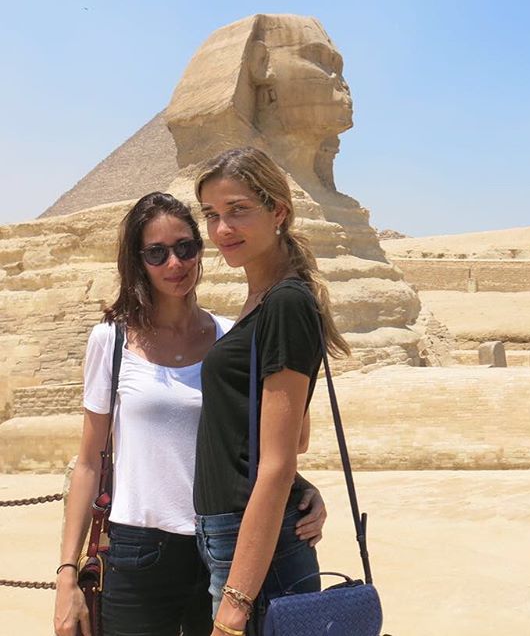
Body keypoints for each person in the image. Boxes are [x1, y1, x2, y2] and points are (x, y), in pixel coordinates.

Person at [54, 192, 327, 636]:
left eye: (185, 248)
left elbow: (266, 441)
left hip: (225, 546)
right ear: (137, 261)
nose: (175, 263)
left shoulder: (230, 339)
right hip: (139, 551)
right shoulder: (111, 340)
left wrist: (299, 489)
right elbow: (88, 462)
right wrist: (67, 574)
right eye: (156, 253)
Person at [193, 147, 351, 636]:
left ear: (278, 211)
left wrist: (235, 604)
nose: (222, 229)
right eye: (211, 215)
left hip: (255, 541)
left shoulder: (285, 302)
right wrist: (302, 488)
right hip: (238, 532)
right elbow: (293, 435)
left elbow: (280, 460)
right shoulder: (260, 299)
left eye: (238, 210)